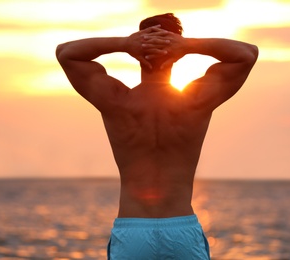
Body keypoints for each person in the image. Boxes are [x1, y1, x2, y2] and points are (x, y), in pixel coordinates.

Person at [56, 13, 258, 260]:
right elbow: (248, 53)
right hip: (181, 230)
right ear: (177, 50)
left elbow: (66, 52)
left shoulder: (117, 99)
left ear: (137, 47)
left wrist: (124, 44)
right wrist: (187, 45)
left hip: (132, 231)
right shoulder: (195, 101)